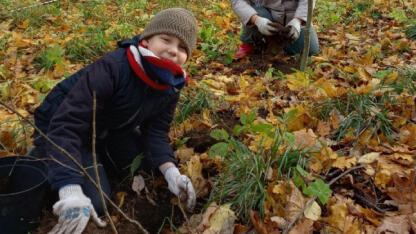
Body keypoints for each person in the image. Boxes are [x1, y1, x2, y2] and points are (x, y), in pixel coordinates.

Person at [29, 8, 198, 234]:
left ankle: (98, 157)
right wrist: (70, 190)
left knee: (148, 166)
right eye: (166, 39)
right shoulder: (113, 68)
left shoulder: (171, 84)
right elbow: (67, 124)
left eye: (182, 48)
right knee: (96, 203)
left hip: (109, 129)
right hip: (62, 128)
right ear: (147, 40)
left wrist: (172, 173)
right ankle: (39, 159)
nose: (172, 51)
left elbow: (156, 133)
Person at [231, 0, 320, 57]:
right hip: (264, 13)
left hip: (293, 15)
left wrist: (298, 21)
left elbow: (307, 2)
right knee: (256, 13)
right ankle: (249, 44)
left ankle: (275, 42)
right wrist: (256, 20)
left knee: (310, 51)